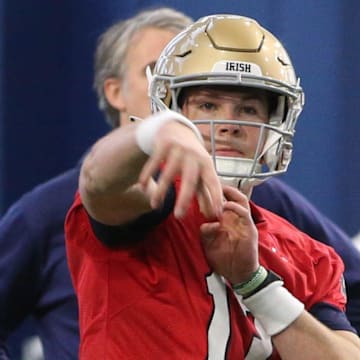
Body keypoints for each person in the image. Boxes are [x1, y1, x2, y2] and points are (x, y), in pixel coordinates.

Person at [1, 6, 360, 359]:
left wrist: (256, 285)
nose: (229, 123)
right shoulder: (149, 203)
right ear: (170, 109)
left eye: (248, 110)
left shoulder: (311, 254)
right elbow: (97, 180)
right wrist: (159, 133)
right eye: (207, 106)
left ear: (276, 127)